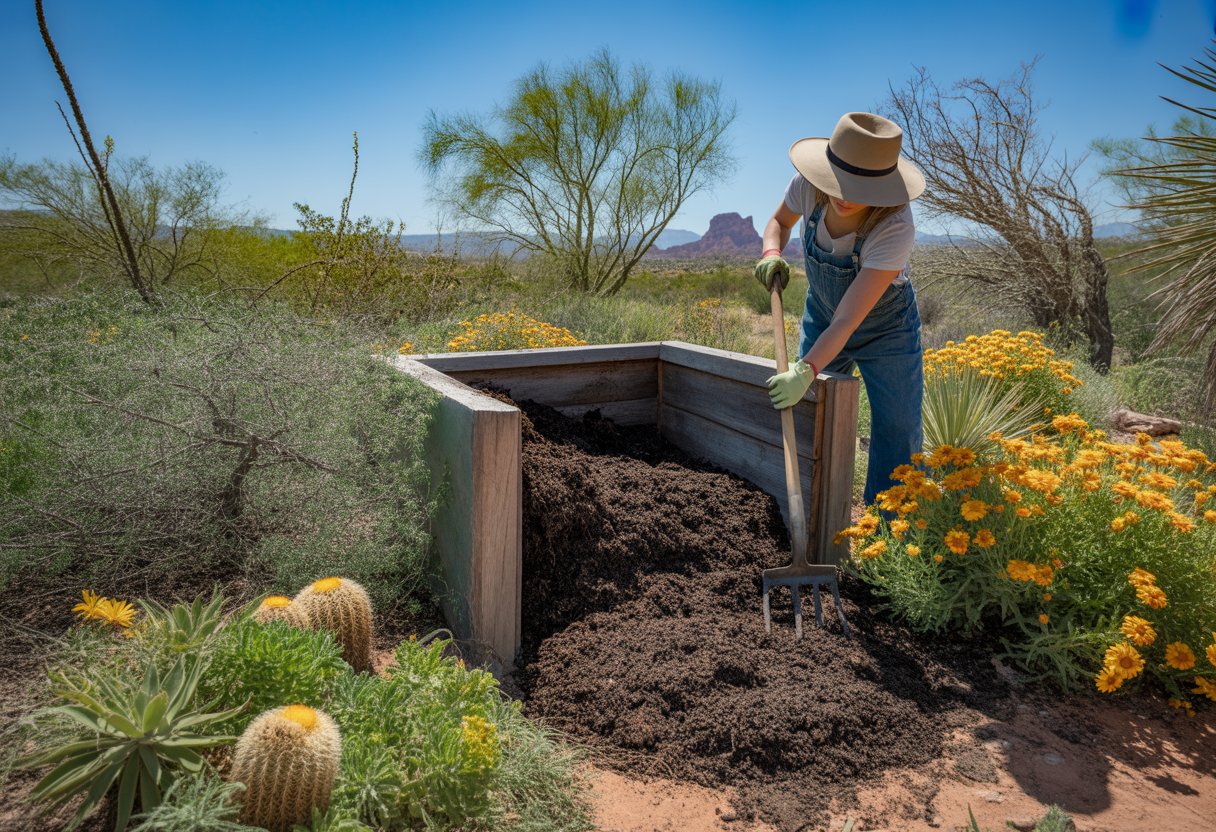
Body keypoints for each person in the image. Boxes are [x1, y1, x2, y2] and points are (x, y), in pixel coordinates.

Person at [756, 111, 926, 507]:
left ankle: (887, 540)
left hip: (886, 329)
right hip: (823, 313)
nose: (844, 195)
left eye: (859, 187)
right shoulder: (808, 186)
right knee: (809, 415)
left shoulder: (895, 226)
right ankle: (812, 517)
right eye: (839, 183)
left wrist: (805, 369)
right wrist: (771, 251)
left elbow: (849, 319)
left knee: (897, 433)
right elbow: (778, 222)